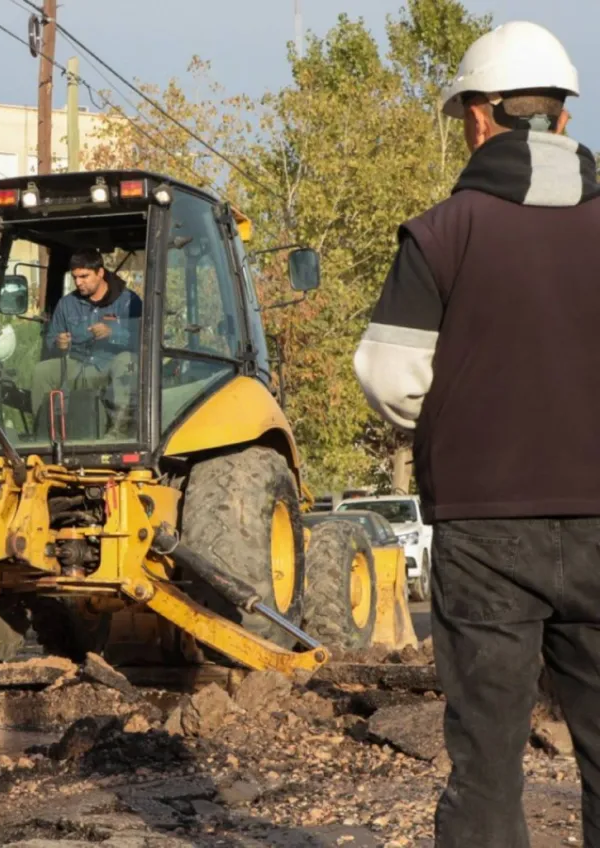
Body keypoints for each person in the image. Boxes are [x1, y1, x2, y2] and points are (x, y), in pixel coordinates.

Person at [353, 20, 600, 847]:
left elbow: (391, 379)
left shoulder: (442, 233)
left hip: (486, 532)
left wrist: (468, 431)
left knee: (489, 772)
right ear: (563, 120)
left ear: (481, 117)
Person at [30, 248, 142, 438]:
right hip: (76, 363)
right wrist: (59, 344)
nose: (79, 282)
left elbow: (141, 339)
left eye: (84, 276)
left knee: (127, 361)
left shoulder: (128, 301)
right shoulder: (67, 304)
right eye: (75, 277)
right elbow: (50, 340)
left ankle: (120, 434)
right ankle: (43, 434)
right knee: (42, 371)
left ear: (100, 273)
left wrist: (112, 333)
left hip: (109, 367)